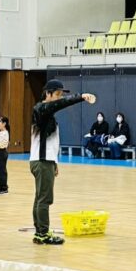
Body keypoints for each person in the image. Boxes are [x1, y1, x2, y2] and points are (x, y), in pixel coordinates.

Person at [30, 79, 96, 245]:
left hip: (45, 160)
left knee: (40, 198)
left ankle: (40, 232)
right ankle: (43, 233)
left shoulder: (45, 112)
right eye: (57, 94)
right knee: (44, 199)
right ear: (48, 93)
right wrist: (81, 96)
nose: (59, 98)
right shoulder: (42, 108)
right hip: (42, 161)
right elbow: (61, 104)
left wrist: (54, 163)